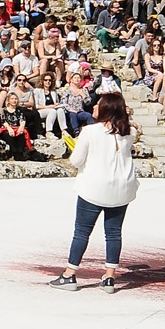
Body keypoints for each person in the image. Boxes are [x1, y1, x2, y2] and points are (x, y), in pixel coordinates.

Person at [50, 92, 138, 292]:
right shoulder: (129, 132)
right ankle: (109, 277)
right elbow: (128, 125)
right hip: (121, 188)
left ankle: (70, 274)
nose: (94, 107)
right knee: (114, 233)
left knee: (82, 232)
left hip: (94, 188)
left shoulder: (90, 131)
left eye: (98, 104)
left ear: (106, 108)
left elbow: (76, 160)